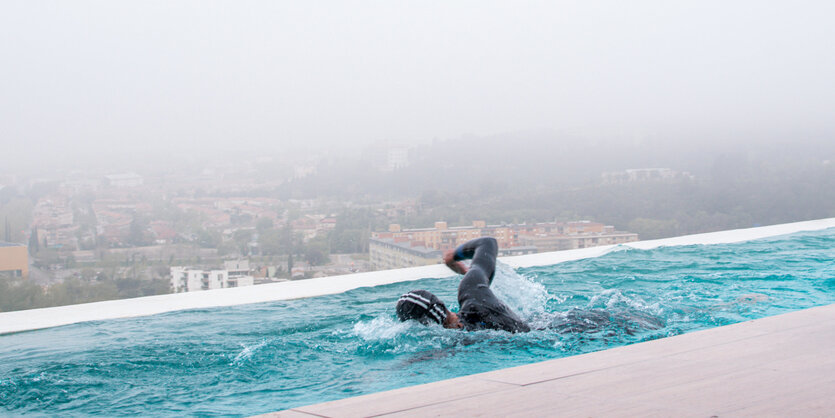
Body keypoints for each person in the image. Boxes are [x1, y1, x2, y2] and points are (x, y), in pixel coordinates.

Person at [396, 237, 530, 333]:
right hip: (542, 331)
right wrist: (452, 257)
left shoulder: (451, 346)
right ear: (439, 303)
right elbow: (487, 242)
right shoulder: (473, 294)